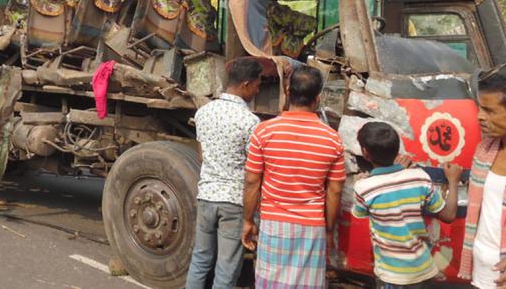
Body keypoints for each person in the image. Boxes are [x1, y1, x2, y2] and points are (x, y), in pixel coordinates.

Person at [241, 65, 345, 289]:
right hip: (312, 227)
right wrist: (329, 230)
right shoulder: (333, 139)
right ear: (317, 98)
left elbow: (252, 182)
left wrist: (248, 221)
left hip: (273, 224)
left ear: (287, 92)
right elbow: (334, 191)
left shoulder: (264, 131)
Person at [353, 122, 461, 288]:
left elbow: (360, 213)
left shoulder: (363, 188)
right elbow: (448, 215)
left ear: (365, 152)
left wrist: (364, 180)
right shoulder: (419, 177)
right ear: (397, 148)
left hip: (391, 274)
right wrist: (453, 181)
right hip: (423, 269)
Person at [186, 58, 263, 289]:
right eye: (258, 84)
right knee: (226, 268)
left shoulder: (203, 112)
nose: (258, 89)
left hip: (206, 195)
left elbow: (202, 155)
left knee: (200, 258)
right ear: (246, 84)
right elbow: (253, 169)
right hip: (233, 201)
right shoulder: (250, 121)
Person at [459, 70, 506, 289]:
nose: (479, 116)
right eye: (480, 108)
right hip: (483, 265)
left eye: (488, 110)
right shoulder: (485, 149)